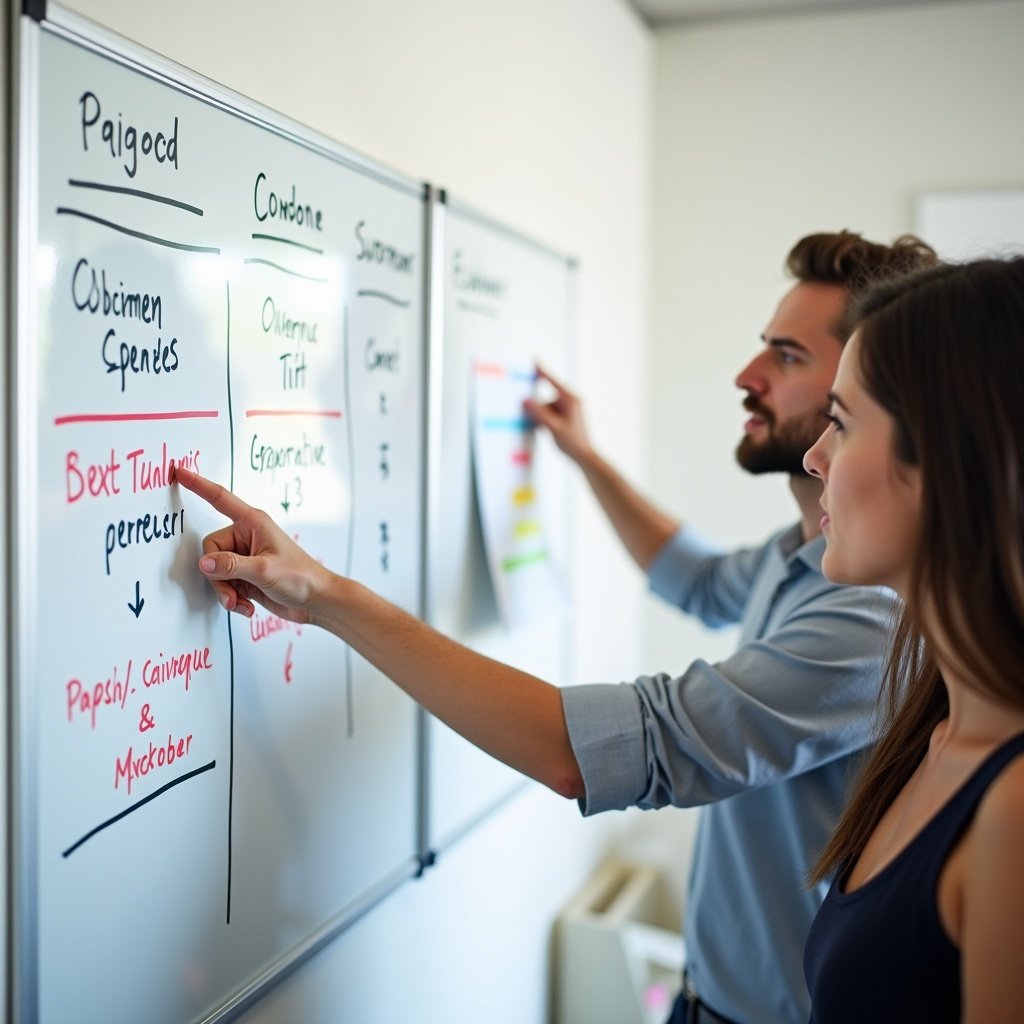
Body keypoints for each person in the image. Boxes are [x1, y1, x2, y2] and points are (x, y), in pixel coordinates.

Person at [174, 230, 937, 1024]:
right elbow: (699, 577)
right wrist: (584, 456)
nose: (747, 377)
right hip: (706, 997)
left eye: (787, 358)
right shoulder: (803, 556)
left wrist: (326, 595)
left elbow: (611, 751)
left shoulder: (872, 611)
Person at [801, 256, 1024, 1022]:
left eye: (841, 421)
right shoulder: (930, 730)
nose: (814, 457)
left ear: (946, 454)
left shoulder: (1016, 810)